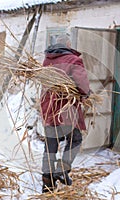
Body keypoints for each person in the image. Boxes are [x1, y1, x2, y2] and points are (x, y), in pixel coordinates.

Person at [40, 34, 91, 193]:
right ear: (68, 44)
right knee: (75, 139)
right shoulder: (73, 60)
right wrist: (86, 94)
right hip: (67, 108)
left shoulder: (47, 60)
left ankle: (47, 182)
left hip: (48, 107)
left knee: (51, 145)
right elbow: (82, 86)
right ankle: (62, 170)